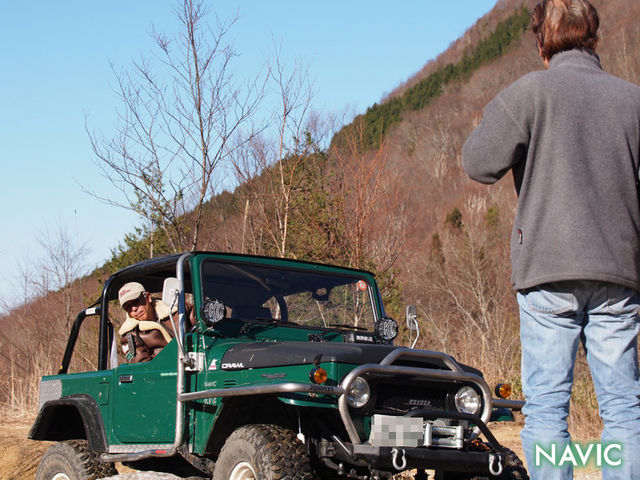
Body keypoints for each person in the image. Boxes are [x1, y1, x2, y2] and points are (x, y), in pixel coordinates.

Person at [461, 1, 640, 479]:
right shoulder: (633, 101)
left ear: (541, 40)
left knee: (546, 413)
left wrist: (493, 118)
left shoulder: (528, 94)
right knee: (624, 411)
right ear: (594, 34)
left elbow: (478, 163)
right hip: (618, 271)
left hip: (547, 271)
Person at [118, 281, 182, 363]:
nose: (134, 309)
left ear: (148, 297)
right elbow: (143, 368)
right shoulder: (130, 336)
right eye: (128, 307)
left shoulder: (178, 311)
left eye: (136, 302)